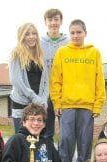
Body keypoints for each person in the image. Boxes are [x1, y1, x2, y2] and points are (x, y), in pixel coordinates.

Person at [50, 19, 106, 162]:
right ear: (69, 34)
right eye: (72, 32)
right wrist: (57, 103)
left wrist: (98, 104)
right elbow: (56, 80)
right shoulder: (62, 52)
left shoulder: (94, 52)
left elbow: (99, 80)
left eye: (79, 32)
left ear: (85, 33)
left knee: (85, 144)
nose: (75, 35)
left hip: (87, 107)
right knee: (65, 143)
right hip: (67, 106)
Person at [9, 22, 49, 133]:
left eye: (34, 33)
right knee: (22, 140)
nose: (31, 37)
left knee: (37, 140)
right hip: (22, 102)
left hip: (38, 104)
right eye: (27, 34)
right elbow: (15, 80)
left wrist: (43, 100)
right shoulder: (16, 54)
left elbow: (46, 81)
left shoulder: (41, 55)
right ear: (21, 36)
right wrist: (34, 97)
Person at [40, 8, 69, 142]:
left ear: (61, 22)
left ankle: (63, 161)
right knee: (46, 131)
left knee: (65, 131)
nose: (53, 23)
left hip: (63, 93)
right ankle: (48, 160)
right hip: (45, 93)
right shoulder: (39, 43)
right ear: (45, 22)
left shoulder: (68, 43)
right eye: (50, 20)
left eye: (56, 19)